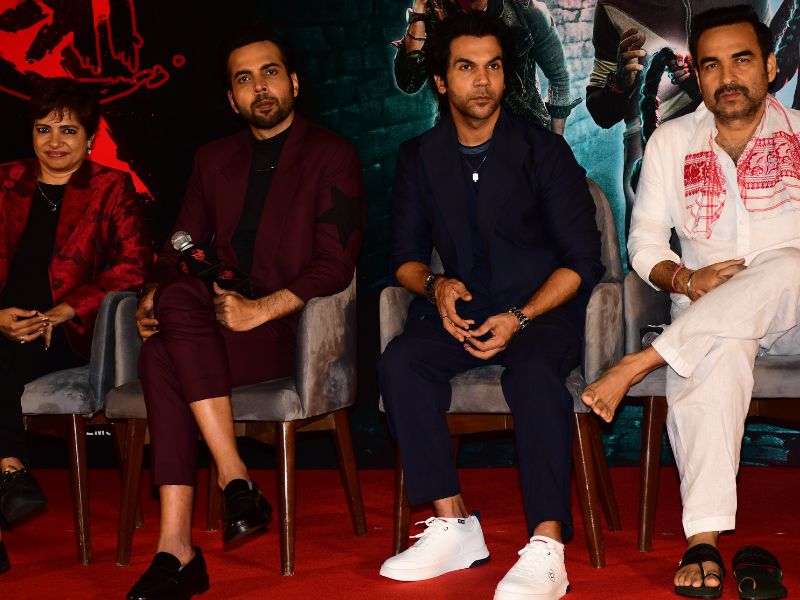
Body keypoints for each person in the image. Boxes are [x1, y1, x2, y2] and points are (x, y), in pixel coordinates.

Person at [126, 29, 364, 599]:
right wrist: (150, 291)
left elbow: (336, 264)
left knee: (160, 357)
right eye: (244, 78)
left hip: (291, 332)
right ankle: (218, 498)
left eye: (270, 72)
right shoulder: (213, 160)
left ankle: (183, 547)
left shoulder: (332, 155)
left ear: (294, 83)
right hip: (216, 326)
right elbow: (178, 246)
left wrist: (262, 309)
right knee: (171, 309)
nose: (259, 87)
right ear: (231, 100)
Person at [379, 12, 602, 600]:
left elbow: (582, 260)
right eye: (466, 67)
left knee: (531, 373)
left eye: (494, 67)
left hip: (540, 313)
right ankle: (454, 524)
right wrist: (435, 287)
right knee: (401, 362)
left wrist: (522, 317)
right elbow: (402, 257)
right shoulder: (419, 157)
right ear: (440, 81)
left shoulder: (543, 152)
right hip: (463, 311)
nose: (482, 81)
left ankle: (548, 546)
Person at [582, 6, 800, 596]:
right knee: (719, 344)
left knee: (790, 264)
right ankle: (702, 538)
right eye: (712, 65)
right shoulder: (671, 142)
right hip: (707, 317)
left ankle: (644, 361)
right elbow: (644, 244)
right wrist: (684, 279)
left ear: (770, 67)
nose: (728, 77)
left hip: (797, 313)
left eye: (742, 60)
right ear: (696, 74)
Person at [0, 77, 150, 575]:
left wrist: (67, 308)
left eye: (68, 130)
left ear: (89, 138)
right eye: (44, 128)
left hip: (67, 332)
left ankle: (11, 472)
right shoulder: (5, 182)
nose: (55, 141)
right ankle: (9, 472)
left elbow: (133, 266)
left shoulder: (110, 187)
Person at [585, 0, 769, 231]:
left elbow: (767, 78)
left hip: (739, 153)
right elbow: (601, 114)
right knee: (653, 248)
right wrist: (620, 84)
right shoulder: (615, 5)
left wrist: (701, 84)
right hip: (651, 161)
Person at [394, 0, 579, 134]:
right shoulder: (434, 15)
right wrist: (418, 11)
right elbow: (409, 83)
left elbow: (559, 78)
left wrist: (556, 148)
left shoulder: (526, 11)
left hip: (524, 133)